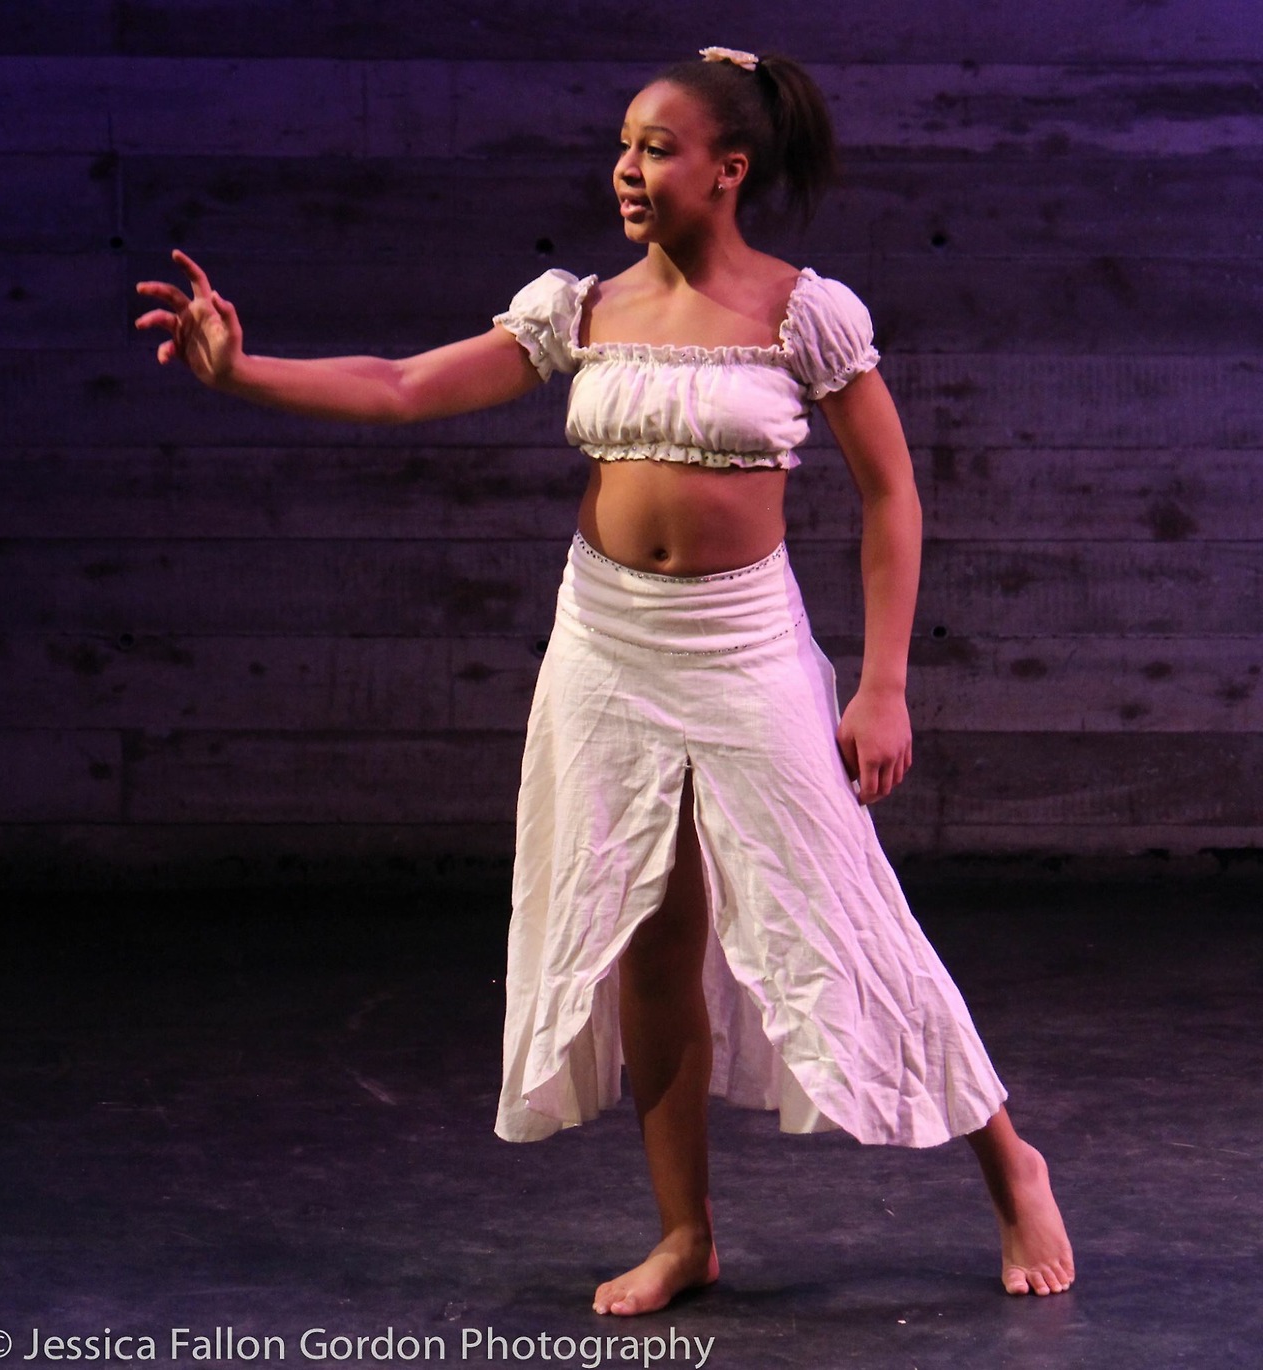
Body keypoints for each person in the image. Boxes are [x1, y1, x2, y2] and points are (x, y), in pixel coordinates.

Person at [136, 45, 1075, 1316]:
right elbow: (405, 387)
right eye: (623, 145)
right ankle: (685, 1233)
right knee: (646, 935)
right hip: (604, 644)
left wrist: (884, 682)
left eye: (657, 148)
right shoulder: (577, 309)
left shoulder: (802, 314)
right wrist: (243, 371)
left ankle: (1009, 1162)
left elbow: (891, 494)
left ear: (727, 170)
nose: (626, 169)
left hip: (742, 647)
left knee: (844, 911)